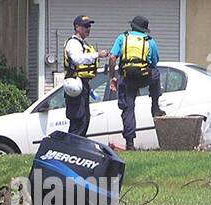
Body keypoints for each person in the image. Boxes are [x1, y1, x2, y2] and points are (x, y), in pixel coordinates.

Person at [109, 15, 162, 150]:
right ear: (144, 29)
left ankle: (130, 143)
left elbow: (112, 57)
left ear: (132, 26)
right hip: (144, 76)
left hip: (127, 78)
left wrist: (112, 77)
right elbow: (154, 62)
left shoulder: (122, 38)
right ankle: (155, 106)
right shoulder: (149, 41)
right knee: (156, 73)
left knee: (128, 109)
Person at [62, 15, 107, 137]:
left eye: (89, 26)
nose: (88, 28)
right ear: (77, 27)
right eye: (85, 26)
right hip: (75, 85)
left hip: (83, 85)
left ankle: (76, 145)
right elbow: (77, 59)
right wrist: (97, 55)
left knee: (84, 118)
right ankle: (72, 146)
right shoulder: (73, 43)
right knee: (78, 118)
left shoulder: (83, 43)